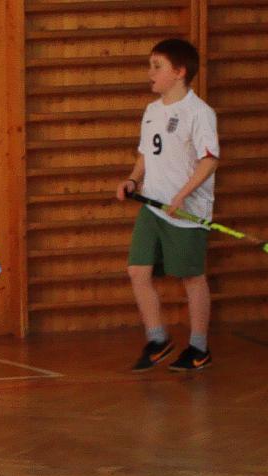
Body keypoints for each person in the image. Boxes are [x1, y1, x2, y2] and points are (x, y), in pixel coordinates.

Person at [116, 38, 219, 372]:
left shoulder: (199, 113)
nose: (150, 72)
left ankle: (199, 348)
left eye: (157, 66)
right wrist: (133, 180)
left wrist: (182, 195)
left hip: (186, 212)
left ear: (179, 71)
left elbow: (209, 161)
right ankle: (158, 339)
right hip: (153, 207)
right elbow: (146, 154)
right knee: (137, 271)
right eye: (150, 66)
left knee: (192, 278)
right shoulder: (152, 111)